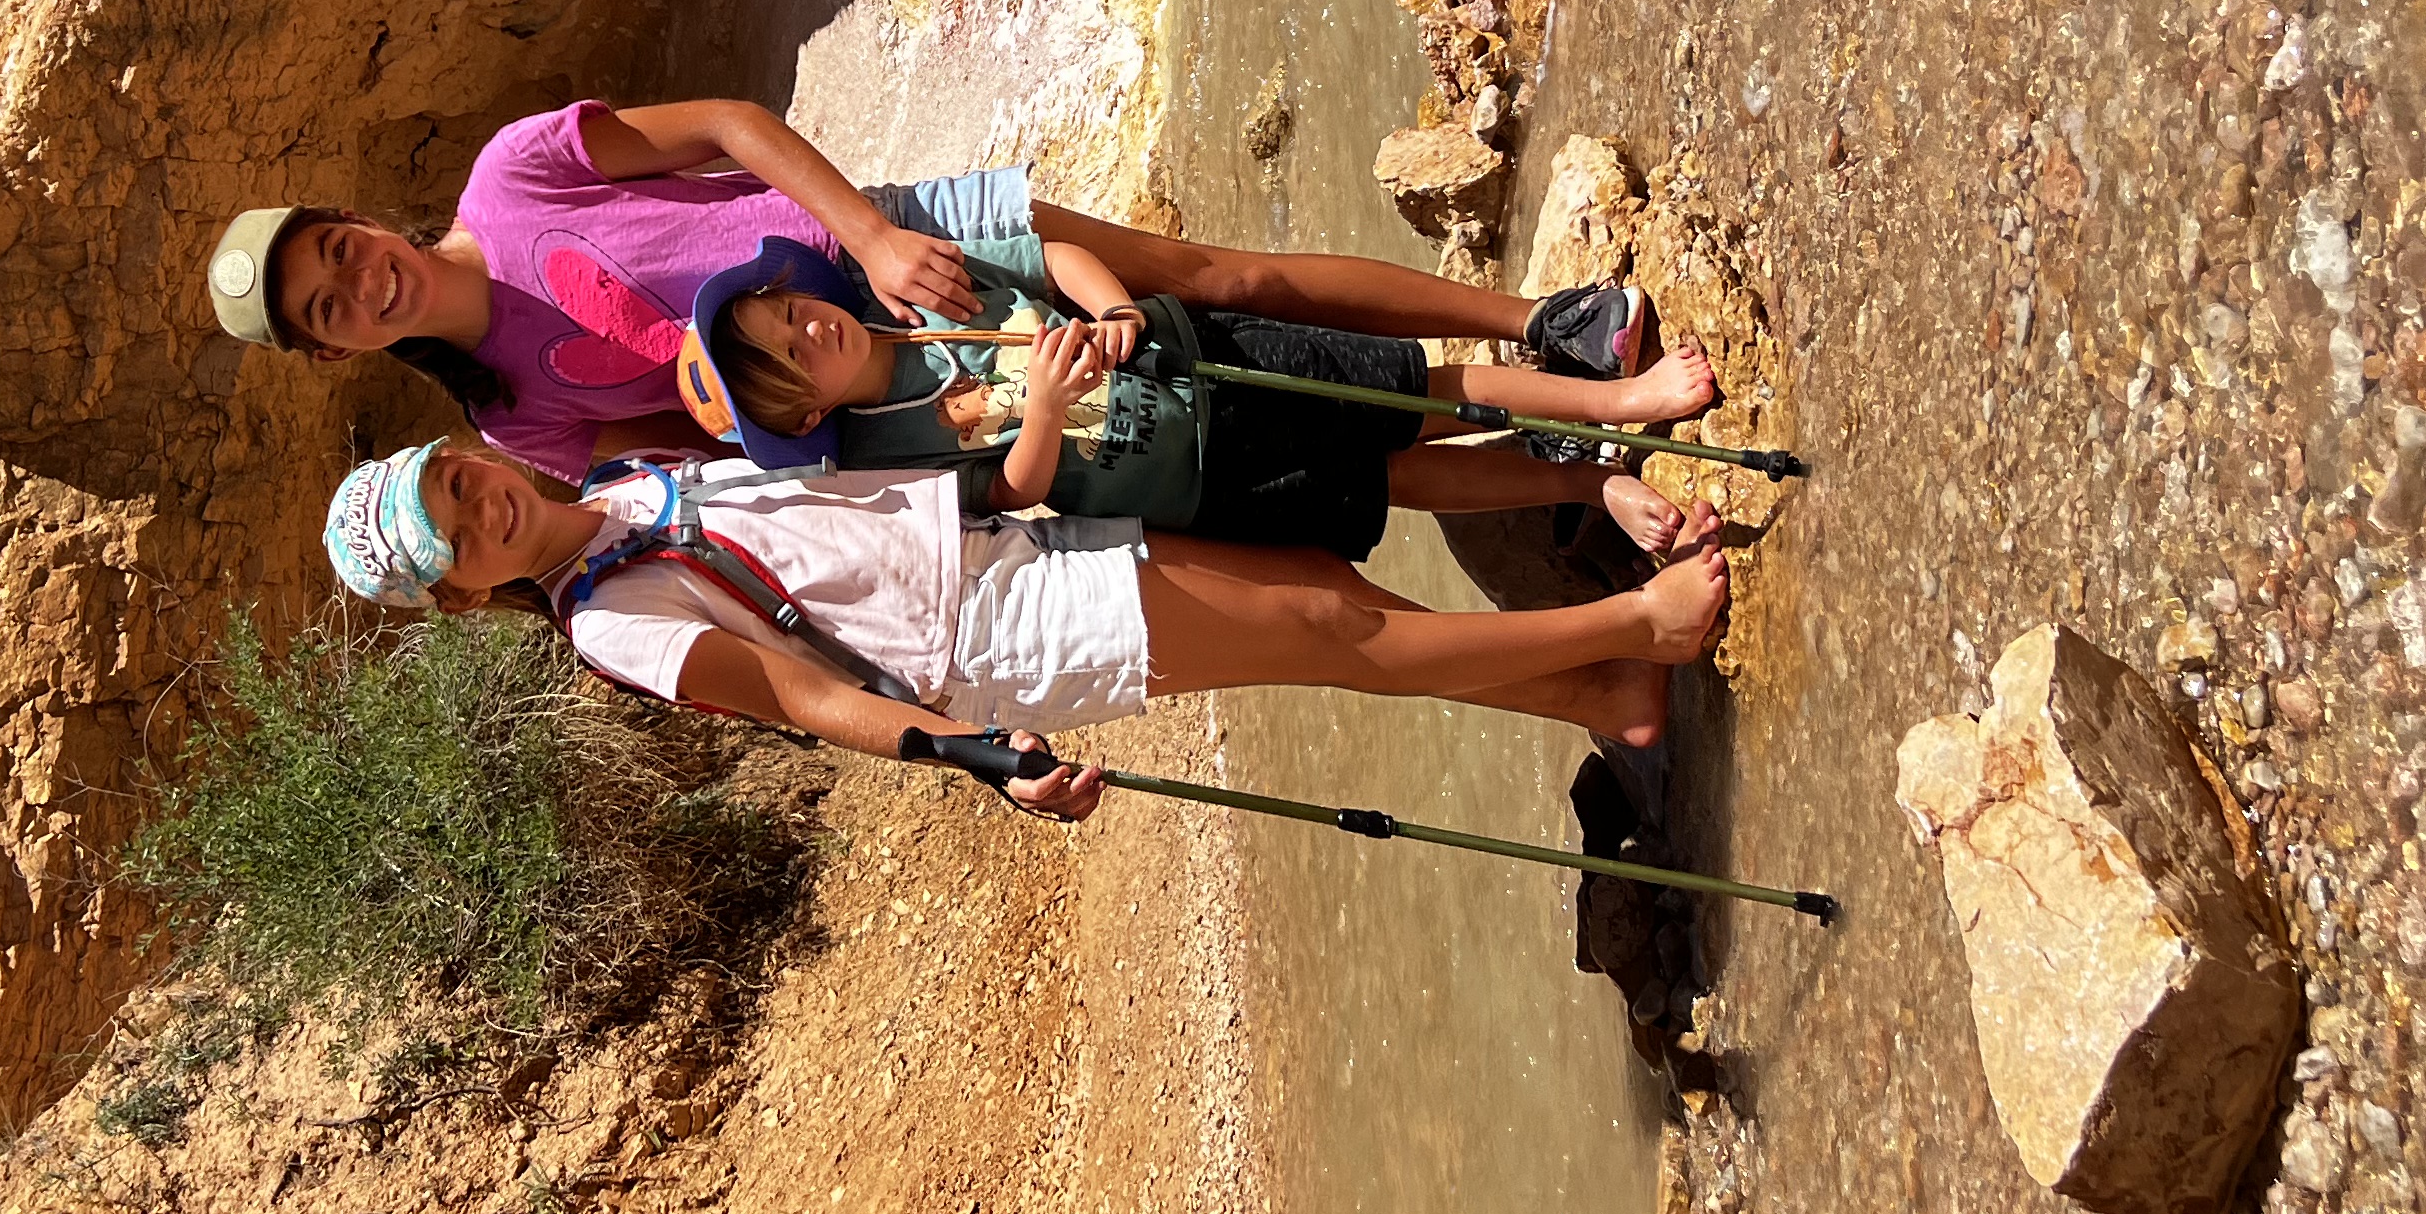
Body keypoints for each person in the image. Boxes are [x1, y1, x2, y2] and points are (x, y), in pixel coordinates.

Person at [200, 96, 1713, 483]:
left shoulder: (513, 175)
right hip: (871, 396)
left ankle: (1537, 326)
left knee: (1205, 281)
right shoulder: (515, 425)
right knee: (1204, 439)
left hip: (885, 252)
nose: (358, 283)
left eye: (335, 252)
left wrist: (863, 234)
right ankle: (1542, 444)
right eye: (331, 309)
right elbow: (695, 461)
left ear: (352, 218)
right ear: (341, 355)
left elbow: (729, 127)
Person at [320, 436, 1731, 806]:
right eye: (449, 537)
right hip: (994, 643)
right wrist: (972, 753)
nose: (474, 509)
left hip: (999, 539)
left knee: (1330, 599)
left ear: (472, 456)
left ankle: (1600, 701)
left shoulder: (625, 478)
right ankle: (1638, 627)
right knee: (1323, 623)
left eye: (454, 480)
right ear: (457, 595)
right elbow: (805, 701)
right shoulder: (608, 627)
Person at [683, 229, 1726, 566]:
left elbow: (1052, 255)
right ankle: (1590, 493)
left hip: (1198, 357)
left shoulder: (914, 289)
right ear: (810, 416)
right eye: (795, 357)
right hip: (1198, 480)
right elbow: (1007, 493)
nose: (811, 328)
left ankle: (1615, 403)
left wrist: (1114, 311)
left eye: (788, 312)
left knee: (1416, 390)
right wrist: (1040, 410)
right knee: (1390, 481)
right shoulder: (883, 454)